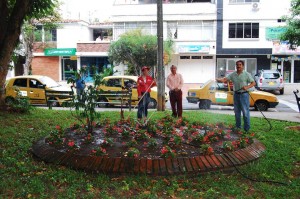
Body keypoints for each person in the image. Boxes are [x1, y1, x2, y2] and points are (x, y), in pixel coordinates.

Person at [216, 60, 256, 132]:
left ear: (243, 66)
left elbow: (253, 83)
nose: (238, 66)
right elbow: (225, 79)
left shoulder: (247, 74)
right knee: (237, 112)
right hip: (236, 95)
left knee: (245, 113)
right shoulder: (233, 74)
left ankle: (246, 129)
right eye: (237, 65)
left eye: (240, 65)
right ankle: (238, 128)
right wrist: (218, 79)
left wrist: (247, 87)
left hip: (244, 95)